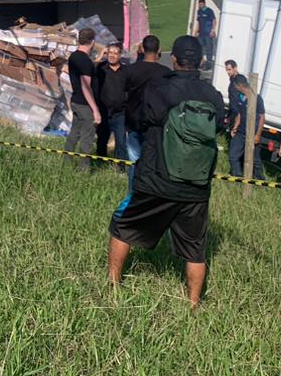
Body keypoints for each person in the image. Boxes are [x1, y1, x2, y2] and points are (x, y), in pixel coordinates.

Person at [108, 35, 225, 308]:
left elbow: (138, 121)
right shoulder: (213, 96)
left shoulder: (160, 88)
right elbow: (218, 127)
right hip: (195, 186)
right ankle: (193, 305)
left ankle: (112, 287)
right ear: (202, 61)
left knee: (122, 227)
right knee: (195, 249)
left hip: (156, 178)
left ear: (173, 60)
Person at [122, 34, 167, 186]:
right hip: (155, 125)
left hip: (134, 122)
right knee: (153, 164)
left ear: (142, 48)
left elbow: (123, 93)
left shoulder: (130, 70)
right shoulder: (165, 73)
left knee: (134, 163)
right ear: (159, 50)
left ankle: (133, 193)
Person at [64, 28, 102, 167]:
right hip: (85, 104)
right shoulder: (85, 61)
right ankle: (83, 170)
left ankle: (66, 163)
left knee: (74, 134)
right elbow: (86, 87)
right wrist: (95, 110)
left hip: (76, 101)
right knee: (87, 138)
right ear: (92, 42)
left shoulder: (74, 57)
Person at [94, 43, 130, 165]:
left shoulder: (126, 71)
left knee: (121, 143)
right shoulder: (101, 68)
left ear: (120, 55)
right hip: (104, 113)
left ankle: (120, 169)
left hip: (120, 114)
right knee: (102, 141)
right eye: (110, 53)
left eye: (115, 53)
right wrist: (100, 56)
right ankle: (100, 166)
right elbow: (90, 69)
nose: (112, 55)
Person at [227, 74, 265, 179]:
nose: (234, 88)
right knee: (233, 155)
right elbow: (239, 114)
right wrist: (235, 127)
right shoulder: (241, 97)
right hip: (240, 132)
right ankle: (237, 177)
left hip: (253, 133)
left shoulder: (257, 99)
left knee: (255, 159)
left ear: (240, 85)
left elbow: (262, 117)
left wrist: (258, 134)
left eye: (235, 86)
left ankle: (259, 179)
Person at [195, 0, 216, 68]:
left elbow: (214, 20)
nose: (200, 5)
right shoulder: (199, 11)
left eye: (201, 4)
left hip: (208, 34)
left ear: (204, 4)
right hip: (201, 34)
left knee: (208, 49)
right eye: (199, 4)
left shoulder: (209, 11)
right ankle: (200, 63)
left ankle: (208, 65)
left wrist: (213, 30)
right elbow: (198, 22)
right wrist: (196, 31)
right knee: (199, 48)